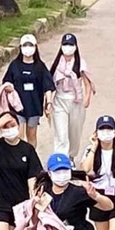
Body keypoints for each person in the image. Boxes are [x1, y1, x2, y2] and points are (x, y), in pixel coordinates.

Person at [1, 34, 55, 149]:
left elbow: (48, 86)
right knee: (18, 135)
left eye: (30, 45)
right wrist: (8, 87)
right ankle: (19, 157)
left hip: (34, 106)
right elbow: (6, 81)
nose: (27, 48)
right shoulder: (14, 65)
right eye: (25, 45)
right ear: (20, 47)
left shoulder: (40, 67)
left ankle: (31, 156)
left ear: (35, 47)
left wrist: (49, 102)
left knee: (32, 136)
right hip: (18, 107)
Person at [48, 31, 94, 159]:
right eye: (65, 44)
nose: (67, 47)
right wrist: (48, 102)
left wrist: (87, 98)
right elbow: (50, 85)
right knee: (61, 133)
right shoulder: (57, 64)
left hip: (75, 101)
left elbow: (87, 83)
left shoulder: (80, 63)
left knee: (74, 132)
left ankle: (71, 156)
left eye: (70, 45)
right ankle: (61, 158)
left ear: (75, 46)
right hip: (60, 100)